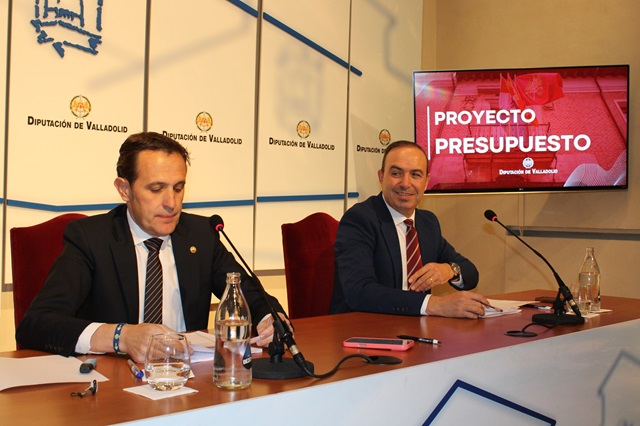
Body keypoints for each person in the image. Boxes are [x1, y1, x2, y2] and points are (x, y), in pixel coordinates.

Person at [16, 132, 288, 362]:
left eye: (178, 188)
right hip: (115, 385)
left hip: (191, 380)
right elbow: (36, 324)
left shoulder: (201, 235)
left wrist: (269, 318)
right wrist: (121, 337)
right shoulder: (90, 239)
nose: (171, 203)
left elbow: (251, 295)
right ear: (125, 190)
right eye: (156, 189)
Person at [330, 140, 489, 318]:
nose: (406, 183)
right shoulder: (360, 219)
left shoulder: (427, 222)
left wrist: (450, 270)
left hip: (417, 327)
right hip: (365, 326)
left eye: (415, 174)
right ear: (381, 177)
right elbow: (359, 292)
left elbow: (471, 273)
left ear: (426, 182)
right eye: (396, 173)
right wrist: (433, 304)